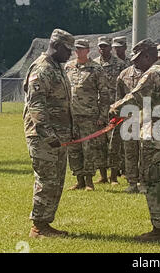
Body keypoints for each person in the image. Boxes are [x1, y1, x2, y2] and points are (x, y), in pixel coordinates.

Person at [108, 42, 160, 242]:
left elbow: (135, 97)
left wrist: (114, 109)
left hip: (157, 138)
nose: (137, 64)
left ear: (149, 55)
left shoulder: (154, 73)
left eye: (139, 59)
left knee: (154, 181)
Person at [23, 29, 74, 238]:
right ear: (58, 46)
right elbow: (37, 106)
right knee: (46, 180)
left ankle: (45, 223)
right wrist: (48, 135)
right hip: (44, 138)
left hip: (58, 137)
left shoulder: (57, 68)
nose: (70, 54)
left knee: (56, 181)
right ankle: (38, 226)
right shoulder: (42, 68)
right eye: (68, 50)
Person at [64, 39, 111, 191]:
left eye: (82, 49)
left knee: (89, 148)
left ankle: (89, 181)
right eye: (77, 49)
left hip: (89, 115)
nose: (78, 51)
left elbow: (104, 94)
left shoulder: (96, 69)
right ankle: (79, 180)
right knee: (74, 148)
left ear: (88, 50)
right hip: (71, 115)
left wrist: (103, 116)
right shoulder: (68, 67)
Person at [115, 39, 157, 194]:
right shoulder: (124, 75)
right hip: (130, 120)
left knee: (146, 152)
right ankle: (132, 182)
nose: (136, 62)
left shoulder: (154, 74)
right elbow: (119, 97)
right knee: (130, 152)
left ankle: (145, 182)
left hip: (148, 120)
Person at [94, 36, 127, 184]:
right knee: (100, 143)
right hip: (99, 108)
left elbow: (124, 87)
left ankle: (114, 176)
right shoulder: (93, 64)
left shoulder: (120, 65)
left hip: (115, 108)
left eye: (105, 46)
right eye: (100, 47)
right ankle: (102, 176)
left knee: (115, 143)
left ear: (110, 48)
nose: (103, 49)